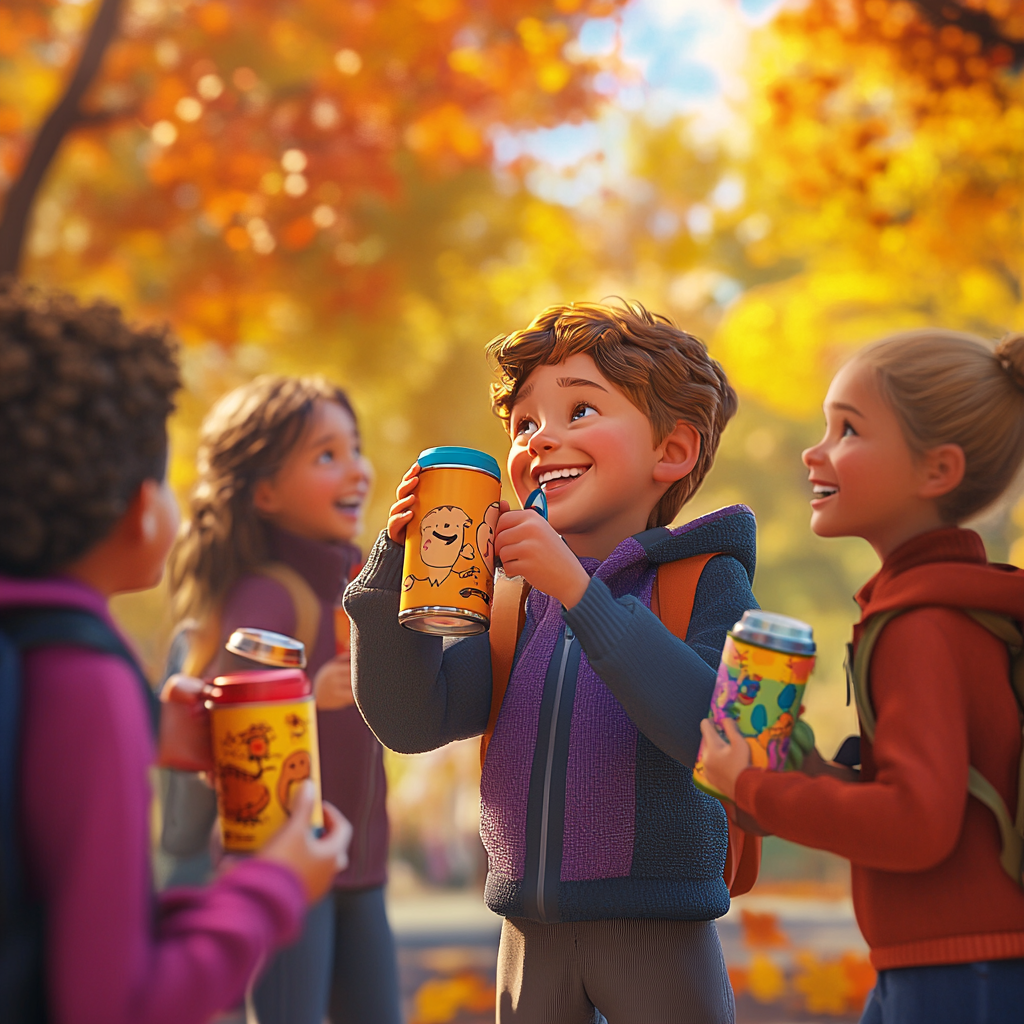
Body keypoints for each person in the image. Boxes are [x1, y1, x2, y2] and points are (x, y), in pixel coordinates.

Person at [347, 301, 755, 1023]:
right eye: (525, 424)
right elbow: (413, 721)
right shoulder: (515, 604)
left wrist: (579, 590)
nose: (543, 440)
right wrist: (392, 573)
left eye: (580, 411)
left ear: (673, 452)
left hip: (659, 930)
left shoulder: (703, 579)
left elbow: (711, 729)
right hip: (528, 933)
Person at [0, 280, 350, 1024]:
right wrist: (273, 887)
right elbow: (114, 1003)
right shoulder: (84, 675)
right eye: (162, 476)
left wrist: (150, 734)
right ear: (136, 509)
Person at [699, 329, 1024, 1024]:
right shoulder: (961, 607)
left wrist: (754, 785)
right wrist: (806, 771)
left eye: (848, 429)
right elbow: (949, 800)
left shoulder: (920, 625)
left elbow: (915, 824)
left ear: (936, 472)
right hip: (950, 959)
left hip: (961, 972)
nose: (816, 452)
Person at [165, 375, 401, 1024]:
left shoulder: (349, 585)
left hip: (359, 859)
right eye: (327, 455)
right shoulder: (269, 596)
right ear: (264, 492)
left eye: (354, 449)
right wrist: (309, 700)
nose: (356, 470)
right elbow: (226, 722)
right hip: (285, 862)